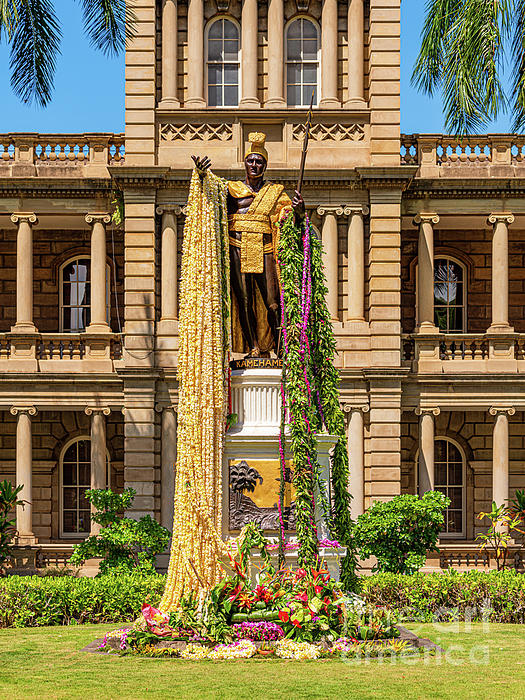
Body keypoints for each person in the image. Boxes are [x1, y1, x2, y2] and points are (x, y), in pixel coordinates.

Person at [192, 132, 305, 357]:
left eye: (259, 162)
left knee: (273, 302)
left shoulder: (275, 192)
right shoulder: (231, 189)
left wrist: (299, 212)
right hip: (238, 247)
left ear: (265, 166)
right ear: (245, 163)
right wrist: (202, 175)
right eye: (251, 160)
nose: (254, 165)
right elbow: (210, 197)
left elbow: (289, 220)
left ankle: (280, 347)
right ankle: (253, 346)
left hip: (265, 249)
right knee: (243, 300)